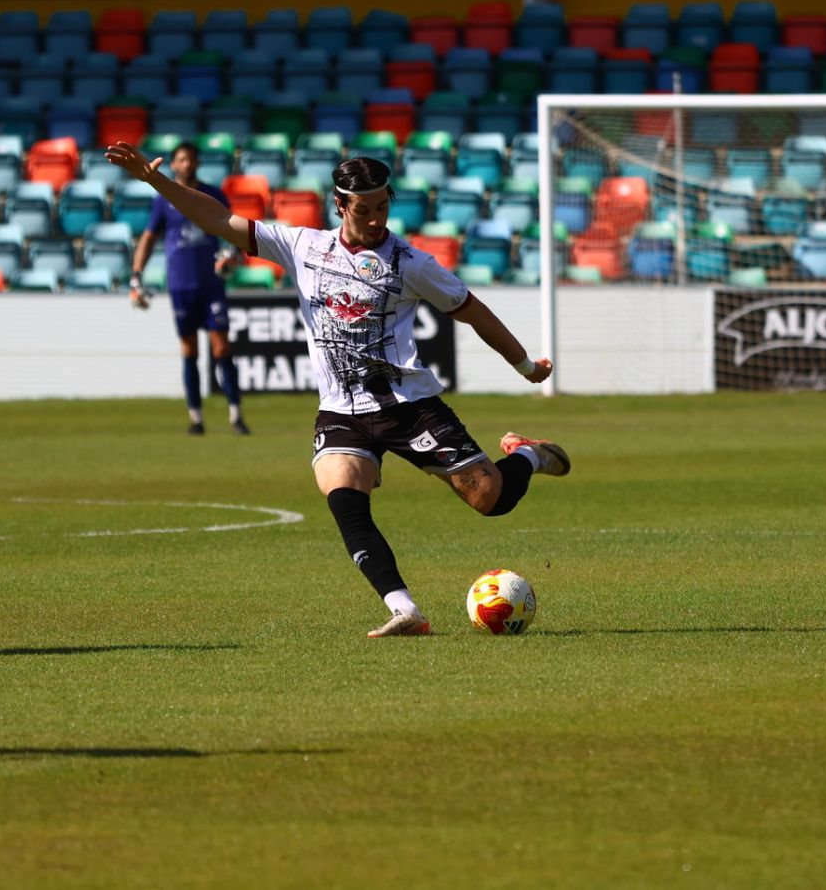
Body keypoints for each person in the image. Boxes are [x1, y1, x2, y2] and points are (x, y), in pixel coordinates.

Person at [105, 143, 569, 637]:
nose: (375, 219)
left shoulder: (410, 264)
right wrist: (156, 181)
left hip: (408, 405)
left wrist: (523, 364)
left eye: (383, 207)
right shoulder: (303, 246)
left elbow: (471, 309)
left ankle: (527, 456)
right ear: (341, 205)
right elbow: (220, 220)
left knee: (489, 499)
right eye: (364, 210)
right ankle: (405, 609)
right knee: (343, 494)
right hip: (341, 410)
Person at [128, 142, 249, 435]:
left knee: (221, 347)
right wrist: (136, 276)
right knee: (189, 350)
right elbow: (147, 238)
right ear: (174, 164)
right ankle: (196, 417)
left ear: (196, 163)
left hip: (211, 283)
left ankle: (235, 415)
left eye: (190, 159)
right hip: (181, 284)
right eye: (181, 160)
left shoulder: (213, 194)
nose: (186, 164)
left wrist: (231, 257)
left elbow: (234, 232)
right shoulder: (162, 200)